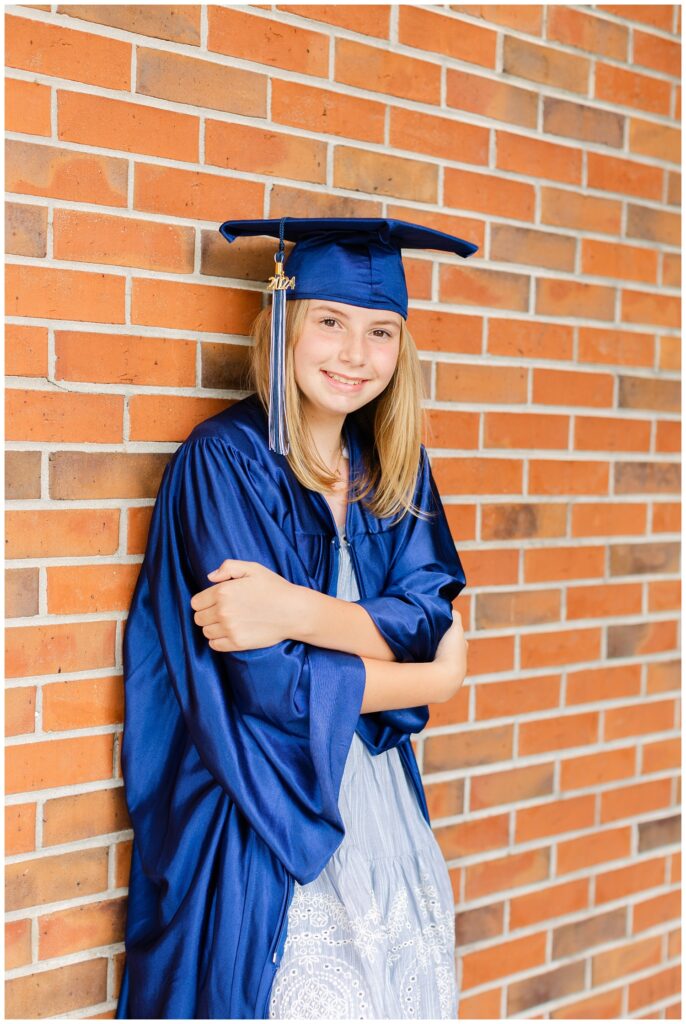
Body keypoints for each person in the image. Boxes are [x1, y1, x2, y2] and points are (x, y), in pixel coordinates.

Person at [115, 217, 475, 1019]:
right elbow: (267, 680)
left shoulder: (393, 469)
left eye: (381, 331)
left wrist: (295, 606)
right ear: (282, 319)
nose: (355, 354)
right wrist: (435, 680)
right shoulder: (225, 462)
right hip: (260, 804)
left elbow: (422, 612)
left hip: (377, 807)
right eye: (331, 321)